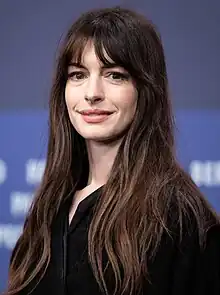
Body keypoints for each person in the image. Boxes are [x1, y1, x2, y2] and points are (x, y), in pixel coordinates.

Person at [5, 6, 220, 295]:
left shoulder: (178, 216)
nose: (92, 93)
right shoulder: (50, 206)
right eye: (78, 75)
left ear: (146, 89)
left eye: (114, 75)